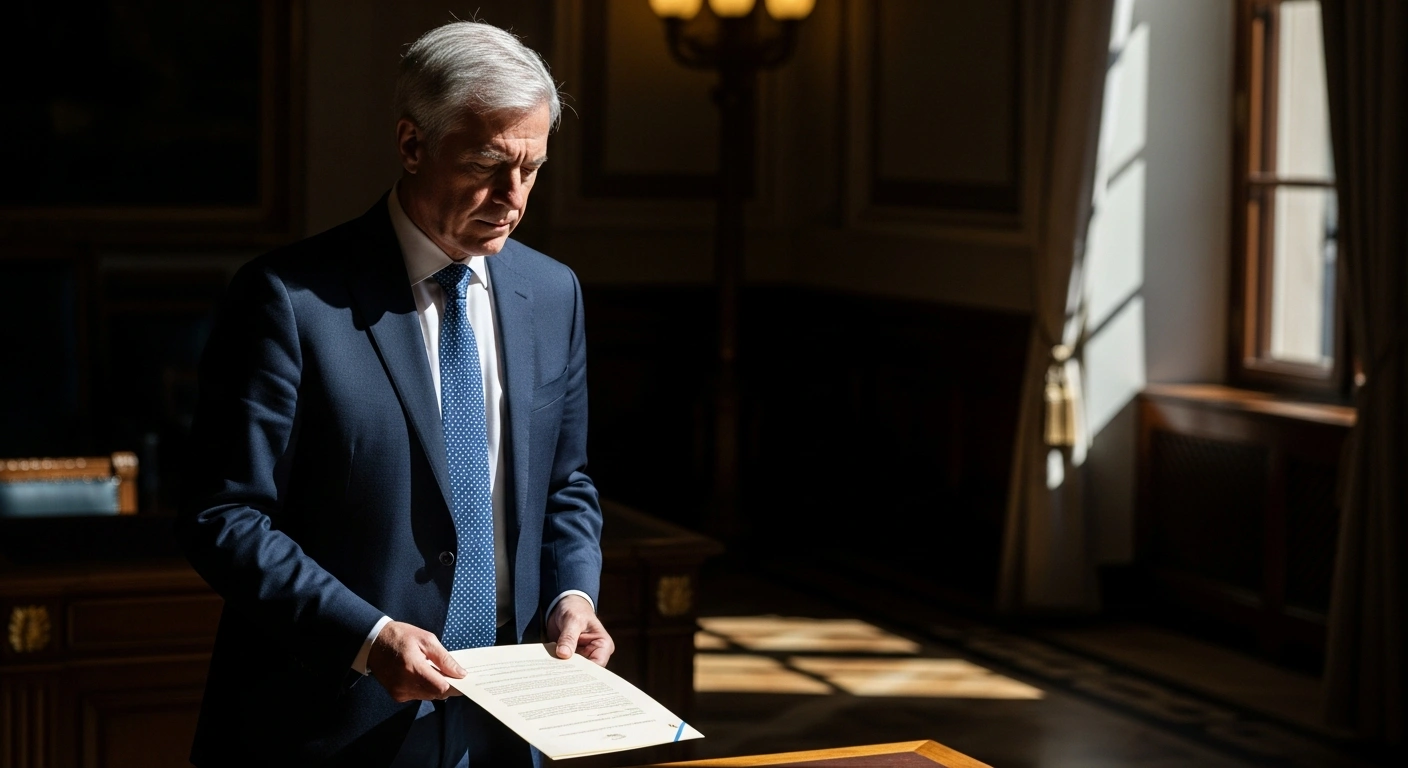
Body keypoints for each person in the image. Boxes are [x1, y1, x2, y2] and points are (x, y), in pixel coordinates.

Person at [177, 20, 612, 768]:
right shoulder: (288, 298)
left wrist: (575, 593)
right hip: (330, 725)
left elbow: (566, 485)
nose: (513, 197)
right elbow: (224, 515)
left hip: (511, 723)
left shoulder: (553, 292)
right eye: (487, 164)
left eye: (532, 169)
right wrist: (368, 639)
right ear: (412, 145)